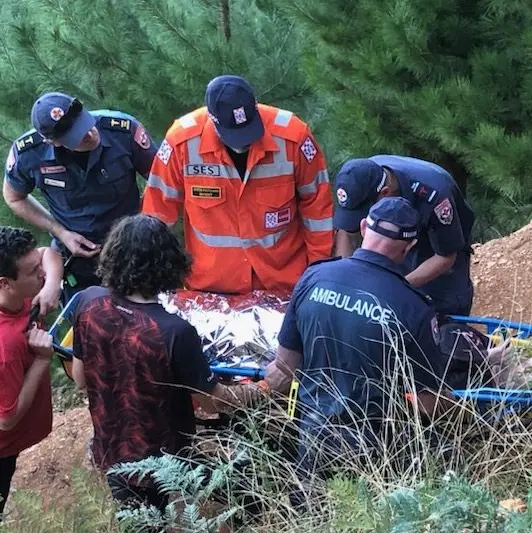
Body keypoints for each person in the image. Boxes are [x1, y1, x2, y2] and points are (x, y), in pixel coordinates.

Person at [70, 214, 265, 512]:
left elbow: (81, 378)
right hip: (164, 461)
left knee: (138, 519)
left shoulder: (88, 302)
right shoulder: (174, 331)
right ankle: (254, 506)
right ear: (170, 263)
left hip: (111, 450)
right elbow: (214, 403)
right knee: (245, 500)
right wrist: (265, 388)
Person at [261, 197, 448, 494]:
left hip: (312, 437)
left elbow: (284, 368)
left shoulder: (315, 276)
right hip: (373, 454)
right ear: (409, 247)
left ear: (362, 227)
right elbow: (427, 404)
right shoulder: (414, 308)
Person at [142, 75, 333, 296]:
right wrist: (157, 284)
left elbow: (318, 208)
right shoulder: (182, 142)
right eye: (234, 136)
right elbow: (156, 217)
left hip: (284, 283)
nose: (243, 143)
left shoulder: (293, 137)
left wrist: (319, 274)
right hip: (210, 288)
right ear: (212, 120)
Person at [3, 92, 157, 304]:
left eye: (85, 124)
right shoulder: (28, 153)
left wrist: (142, 227)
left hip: (135, 253)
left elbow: (162, 182)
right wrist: (60, 232)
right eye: (77, 135)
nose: (90, 134)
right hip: (79, 261)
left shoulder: (123, 130)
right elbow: (14, 197)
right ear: (52, 142)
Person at [332, 156, 475, 317]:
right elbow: (346, 232)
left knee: (442, 307)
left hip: (438, 239)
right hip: (393, 238)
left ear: (385, 193)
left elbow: (446, 257)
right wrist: (344, 281)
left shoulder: (434, 194)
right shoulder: (359, 180)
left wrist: (396, 288)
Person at [0, 227, 63, 518]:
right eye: (32, 272)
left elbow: (48, 253)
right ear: (5, 283)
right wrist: (41, 361)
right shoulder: (6, 346)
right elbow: (7, 419)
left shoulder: (18, 292)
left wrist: (52, 284)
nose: (40, 273)